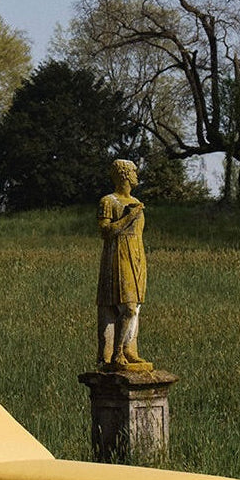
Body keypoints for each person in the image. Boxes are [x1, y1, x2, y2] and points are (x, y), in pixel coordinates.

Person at [96, 158, 151, 371]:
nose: (137, 175)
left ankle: (130, 350)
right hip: (117, 256)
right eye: (134, 171)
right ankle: (115, 352)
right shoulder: (108, 201)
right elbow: (105, 231)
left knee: (134, 307)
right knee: (126, 306)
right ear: (125, 174)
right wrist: (129, 217)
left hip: (136, 256)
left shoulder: (136, 201)